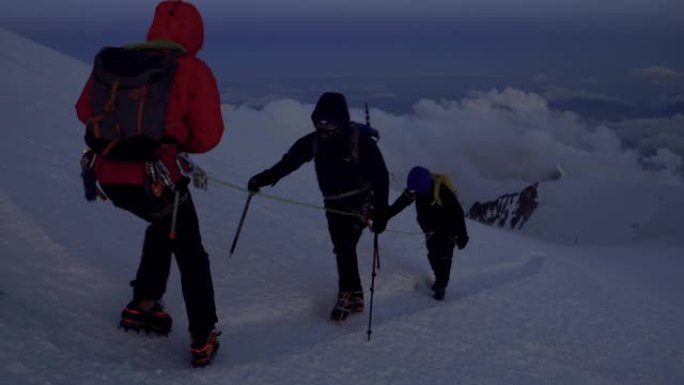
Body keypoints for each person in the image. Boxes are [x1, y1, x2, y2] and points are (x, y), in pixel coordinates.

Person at [75, 0, 224, 367]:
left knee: (165, 226)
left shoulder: (118, 63)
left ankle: (142, 306)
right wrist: (173, 141)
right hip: (156, 177)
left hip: (108, 174)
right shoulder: (192, 69)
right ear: (195, 34)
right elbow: (208, 136)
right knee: (190, 251)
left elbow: (84, 111)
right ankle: (203, 336)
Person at [247, 92, 390, 322]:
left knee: (344, 248)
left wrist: (381, 212)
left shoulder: (359, 141)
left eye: (329, 122)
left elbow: (381, 177)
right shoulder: (314, 141)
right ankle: (355, 296)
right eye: (320, 123)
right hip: (333, 205)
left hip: (359, 203)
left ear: (340, 119)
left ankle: (348, 295)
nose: (324, 128)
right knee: (343, 248)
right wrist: (262, 179)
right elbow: (288, 163)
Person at [375, 166, 469, 300]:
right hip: (431, 231)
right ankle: (439, 279)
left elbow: (457, 212)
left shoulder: (442, 191)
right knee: (433, 255)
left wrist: (462, 235)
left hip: (448, 231)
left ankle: (441, 286)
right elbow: (402, 202)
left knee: (444, 258)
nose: (414, 193)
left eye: (417, 191)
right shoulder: (418, 188)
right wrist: (386, 216)